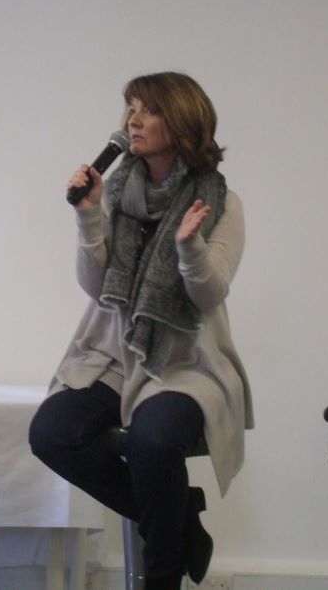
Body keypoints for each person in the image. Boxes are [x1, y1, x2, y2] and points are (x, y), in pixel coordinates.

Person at [29, 72, 253, 590]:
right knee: (52, 434)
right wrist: (88, 215)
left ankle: (162, 579)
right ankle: (180, 517)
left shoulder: (221, 203)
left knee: (154, 440)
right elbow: (96, 286)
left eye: (148, 110)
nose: (133, 120)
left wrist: (189, 248)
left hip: (183, 363)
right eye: (130, 108)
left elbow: (209, 294)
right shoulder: (114, 192)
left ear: (182, 121)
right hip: (112, 356)